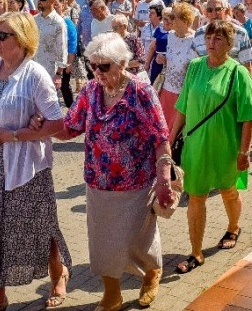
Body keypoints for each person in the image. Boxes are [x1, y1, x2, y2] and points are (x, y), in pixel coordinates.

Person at [38, 32, 172, 310]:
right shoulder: (90, 91)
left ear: (122, 63)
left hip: (136, 181)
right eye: (93, 66)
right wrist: (41, 123)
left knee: (137, 239)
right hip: (99, 181)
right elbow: (70, 127)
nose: (97, 72)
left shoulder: (141, 92)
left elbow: (160, 137)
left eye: (104, 66)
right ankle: (112, 293)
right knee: (103, 243)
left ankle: (151, 273)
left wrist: (164, 178)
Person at [0, 12, 72, 311]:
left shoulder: (35, 74)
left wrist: (14, 134)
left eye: (3, 36)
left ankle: (58, 276)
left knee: (41, 226)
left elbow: (58, 124)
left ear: (23, 40)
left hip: (26, 166)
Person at [169, 20, 252, 275]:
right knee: (196, 197)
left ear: (230, 44)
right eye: (209, 37)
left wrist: (244, 151)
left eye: (218, 38)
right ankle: (196, 252)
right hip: (196, 146)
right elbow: (182, 107)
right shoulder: (195, 67)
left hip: (226, 147)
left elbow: (248, 117)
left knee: (229, 191)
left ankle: (233, 226)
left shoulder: (238, 72)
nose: (211, 42)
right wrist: (170, 138)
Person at [156, 3, 198, 126]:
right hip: (166, 90)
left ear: (185, 20)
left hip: (184, 94)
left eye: (174, 17)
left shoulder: (195, 39)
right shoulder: (170, 36)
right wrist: (164, 59)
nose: (169, 19)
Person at [34, 0, 68, 86]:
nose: (39, 2)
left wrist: (58, 74)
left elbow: (62, 49)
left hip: (50, 72)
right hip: (34, 68)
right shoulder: (34, 19)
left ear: (52, 1)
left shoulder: (58, 23)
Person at [111, 14, 148, 83]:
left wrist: (121, 65)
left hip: (134, 79)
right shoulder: (113, 40)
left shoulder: (134, 39)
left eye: (115, 28)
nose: (113, 30)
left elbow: (141, 61)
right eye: (112, 28)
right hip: (120, 78)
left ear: (124, 26)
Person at [144, 6, 170, 84]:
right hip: (157, 64)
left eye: (170, 18)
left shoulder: (176, 31)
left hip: (170, 64)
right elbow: (152, 48)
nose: (167, 21)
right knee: (155, 86)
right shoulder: (159, 29)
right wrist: (147, 65)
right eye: (165, 18)